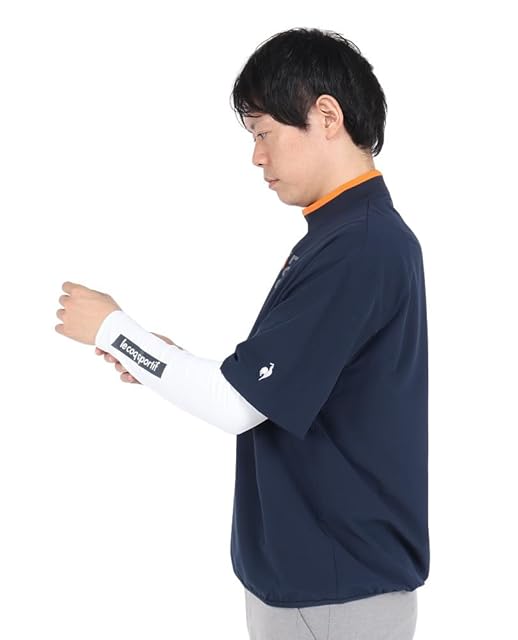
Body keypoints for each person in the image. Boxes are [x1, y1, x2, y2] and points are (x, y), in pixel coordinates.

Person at [55, 26, 428, 640]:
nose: (257, 157)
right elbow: (272, 384)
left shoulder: (360, 246)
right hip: (322, 587)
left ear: (326, 116)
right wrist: (161, 359)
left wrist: (114, 331)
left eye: (263, 132)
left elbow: (237, 404)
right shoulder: (345, 237)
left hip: (334, 594)